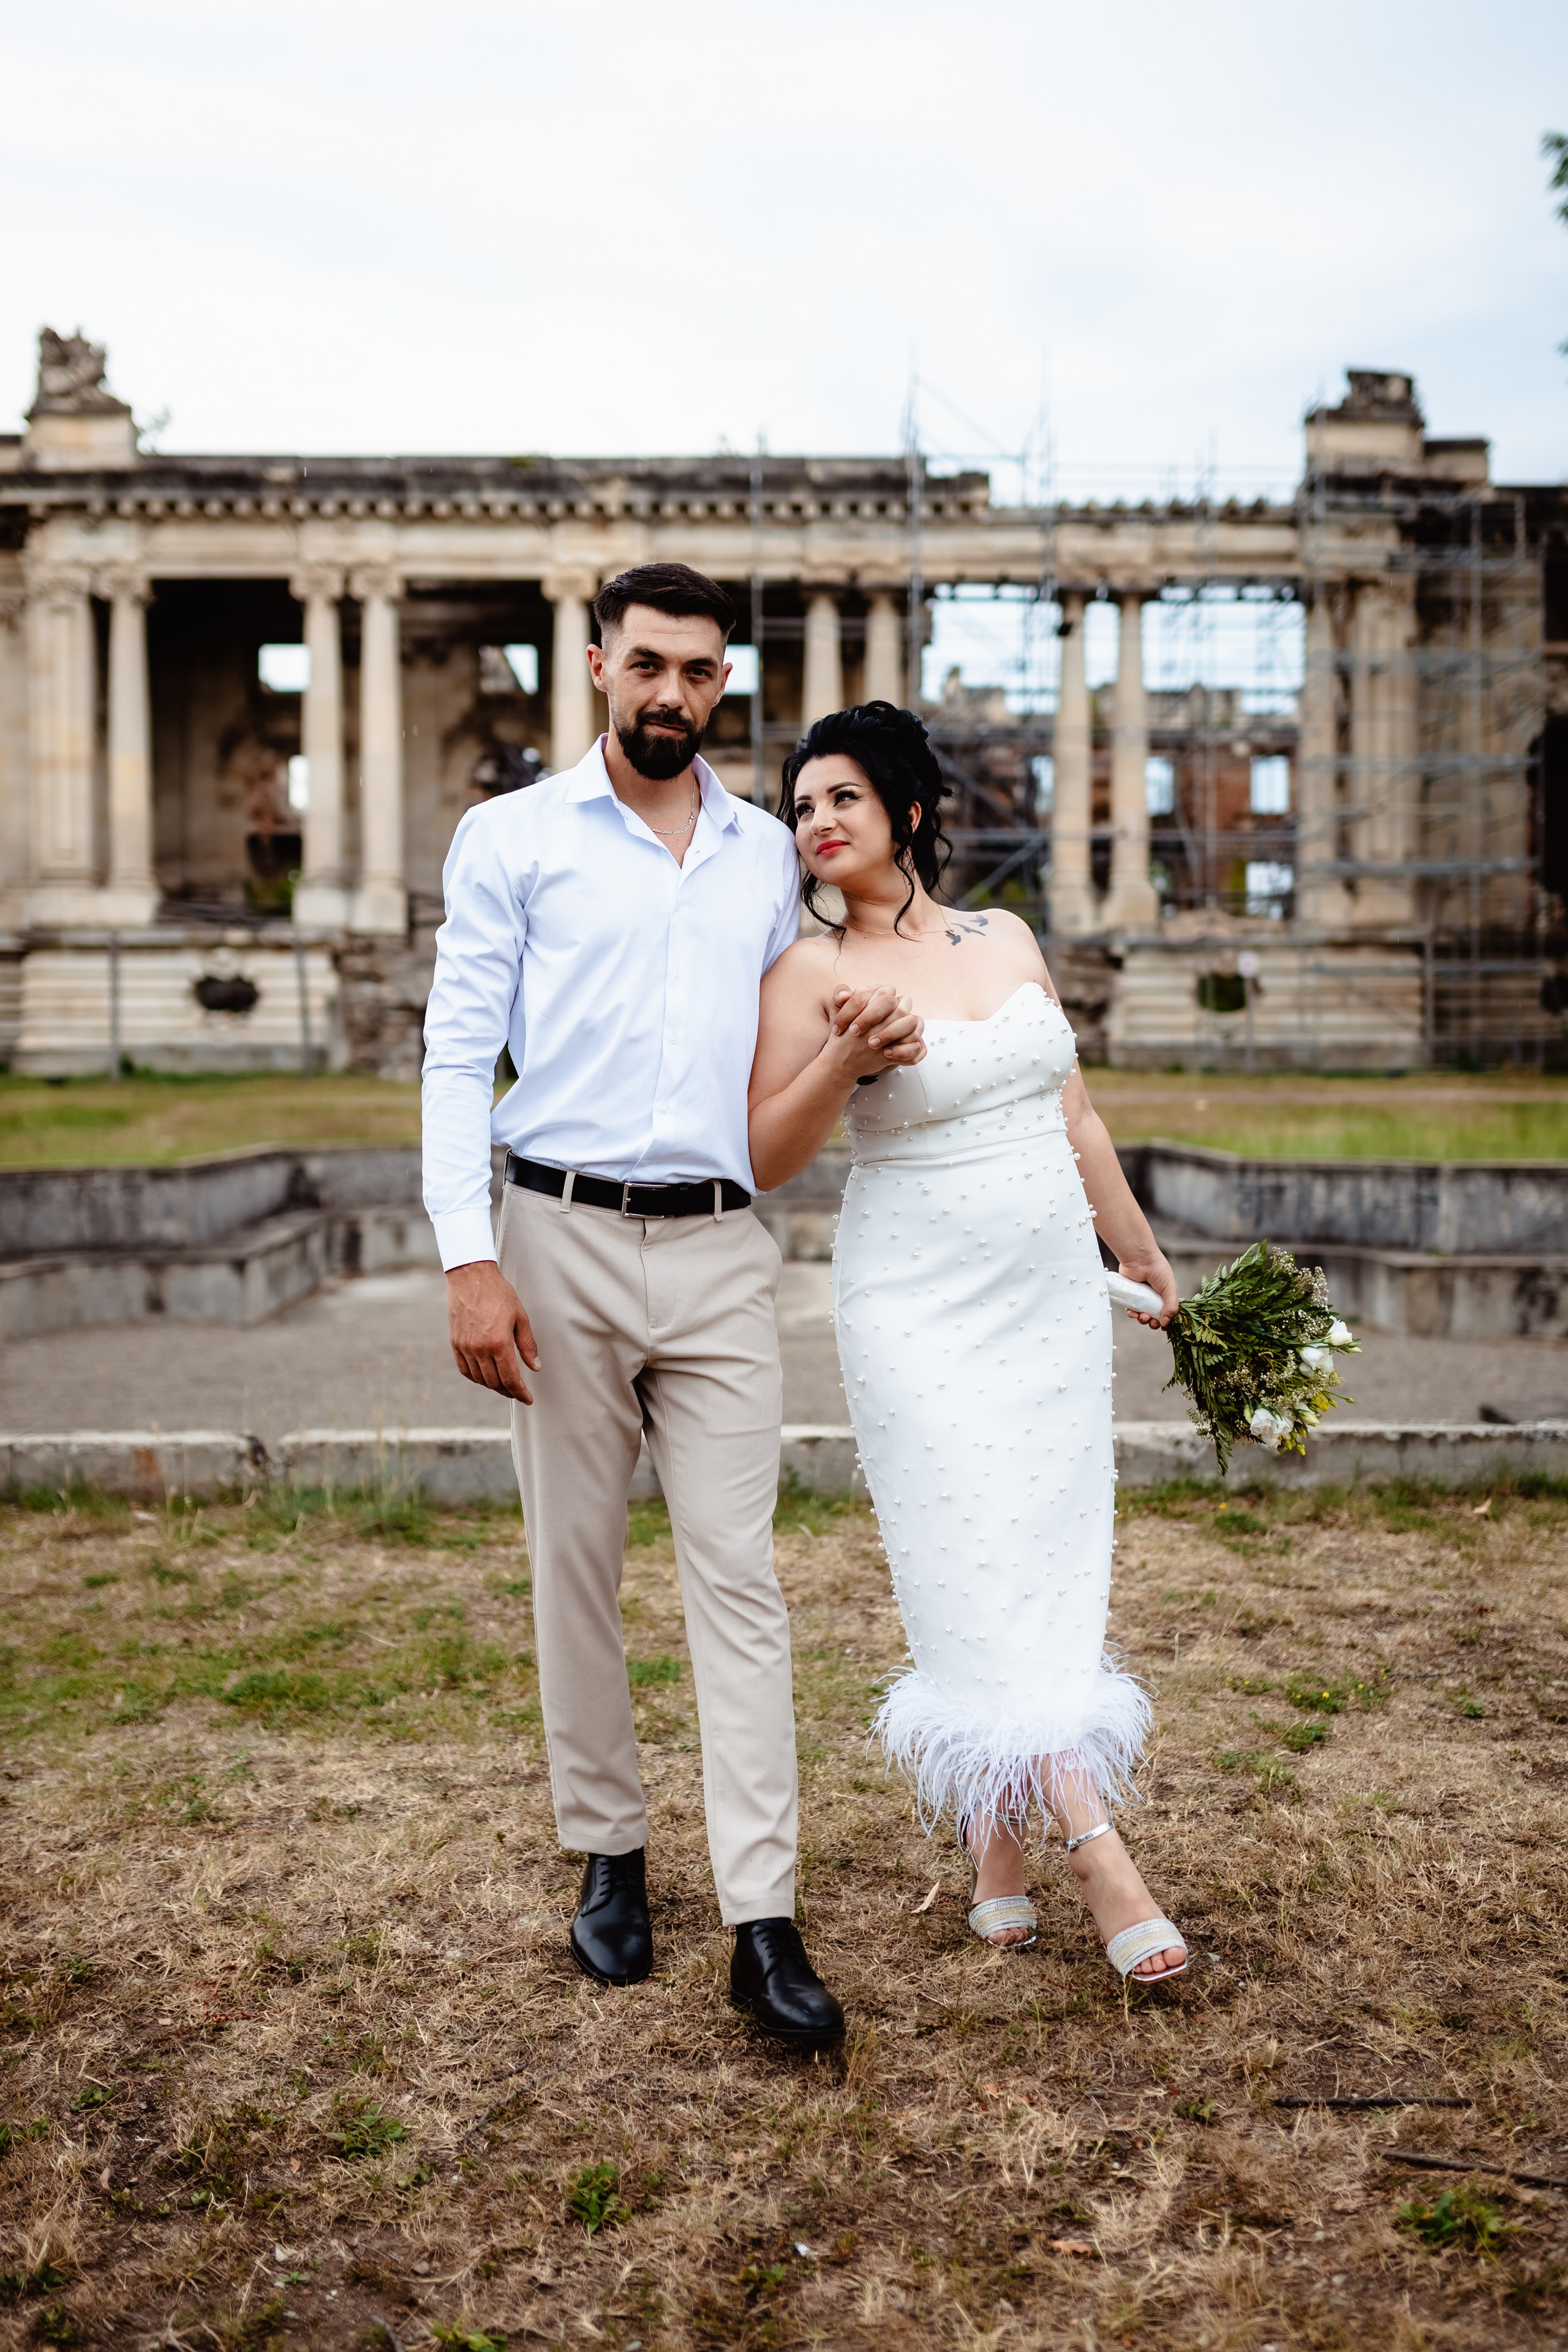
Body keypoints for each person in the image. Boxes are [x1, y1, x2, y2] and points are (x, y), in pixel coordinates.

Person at [421, 565, 908, 2046]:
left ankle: (763, 1917)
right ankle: (612, 1852)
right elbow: (458, 1055)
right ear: (594, 667)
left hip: (718, 1249)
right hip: (553, 1230)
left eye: (699, 675)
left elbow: (815, 1022)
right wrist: (466, 1255)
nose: (672, 696)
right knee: (571, 1562)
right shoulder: (508, 839)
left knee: (738, 1579)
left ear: (719, 686)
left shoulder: (770, 856)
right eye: (648, 666)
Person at [747, 701, 1189, 1983]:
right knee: (964, 1563)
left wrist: (1138, 1250)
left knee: (1047, 1557)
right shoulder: (807, 973)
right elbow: (766, 1159)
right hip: (912, 1304)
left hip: (1048, 1293)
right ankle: (1095, 1849)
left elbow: (1078, 1115)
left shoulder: (1006, 934)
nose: (815, 823)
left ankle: (997, 1842)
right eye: (800, 807)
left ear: (910, 811)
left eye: (839, 798)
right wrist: (838, 1064)